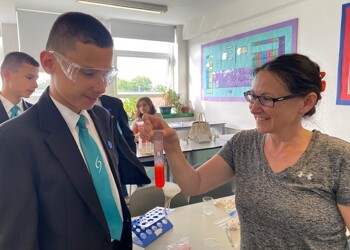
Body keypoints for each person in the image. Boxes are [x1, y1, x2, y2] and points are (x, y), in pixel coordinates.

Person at [140, 53, 350, 249]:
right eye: (253, 96)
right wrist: (172, 146)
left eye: (267, 99)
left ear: (306, 102)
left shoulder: (338, 157)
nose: (253, 108)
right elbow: (194, 185)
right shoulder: (244, 144)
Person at [0, 12, 150, 249]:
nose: (101, 87)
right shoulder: (13, 139)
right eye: (88, 73)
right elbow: (18, 239)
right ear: (50, 63)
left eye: (105, 74)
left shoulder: (101, 117)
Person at [98, 94, 144, 199]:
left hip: (114, 156)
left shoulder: (114, 103)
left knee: (121, 196)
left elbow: (126, 132)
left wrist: (132, 156)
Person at [0, 51, 39, 123]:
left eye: (36, 79)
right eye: (29, 78)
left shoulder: (37, 113)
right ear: (7, 74)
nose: (36, 85)